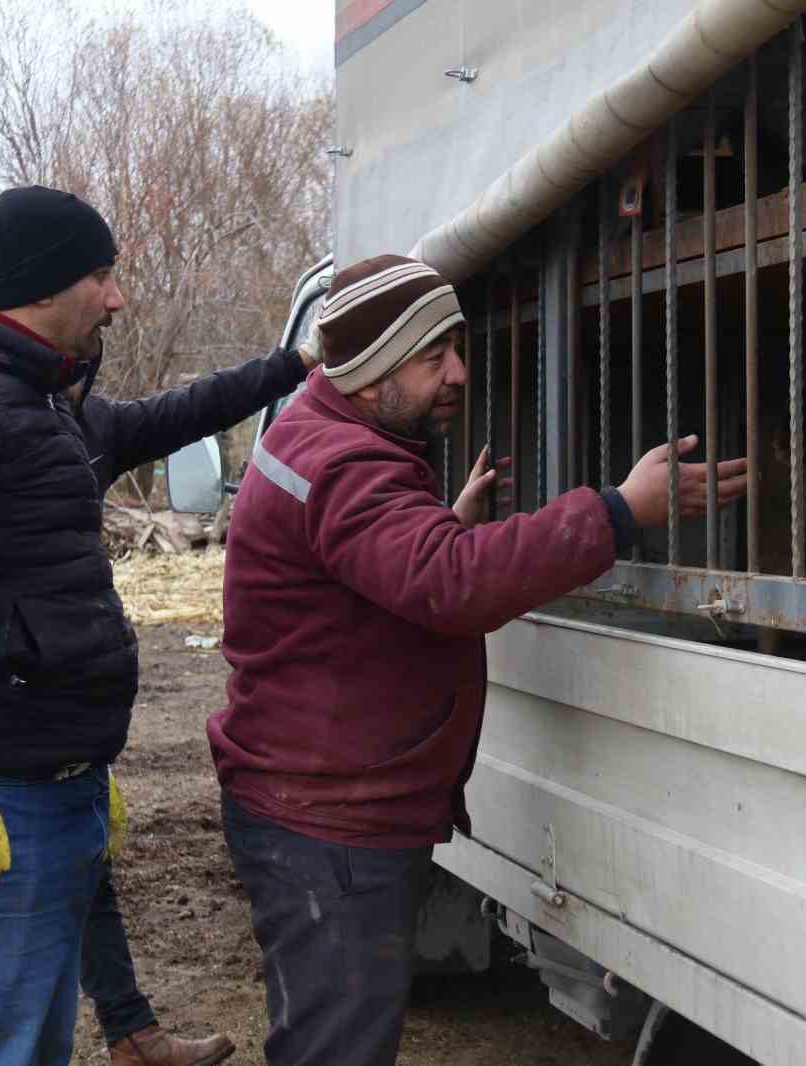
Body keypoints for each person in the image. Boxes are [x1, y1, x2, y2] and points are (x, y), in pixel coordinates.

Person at [206, 253, 749, 1066]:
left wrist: (435, 522)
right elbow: (451, 584)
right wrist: (619, 510)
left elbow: (382, 566)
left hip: (310, 803)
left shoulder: (317, 431)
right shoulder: (346, 463)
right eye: (434, 357)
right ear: (371, 368)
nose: (459, 371)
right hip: (331, 826)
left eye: (457, 348)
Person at [0, 184, 311, 1066]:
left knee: (31, 1043)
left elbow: (165, 419)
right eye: (102, 275)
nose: (117, 296)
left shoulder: (34, 399)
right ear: (45, 285)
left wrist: (293, 365)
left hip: (44, 788)